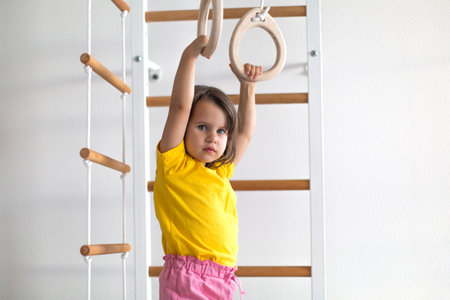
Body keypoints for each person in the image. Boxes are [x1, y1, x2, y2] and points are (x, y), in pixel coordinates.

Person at [153, 35, 262, 299]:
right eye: (202, 127)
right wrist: (190, 56)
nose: (213, 137)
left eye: (221, 130)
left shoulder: (220, 170)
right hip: (187, 277)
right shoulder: (174, 164)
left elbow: (245, 133)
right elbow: (179, 107)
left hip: (222, 278)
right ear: (185, 128)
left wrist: (247, 87)